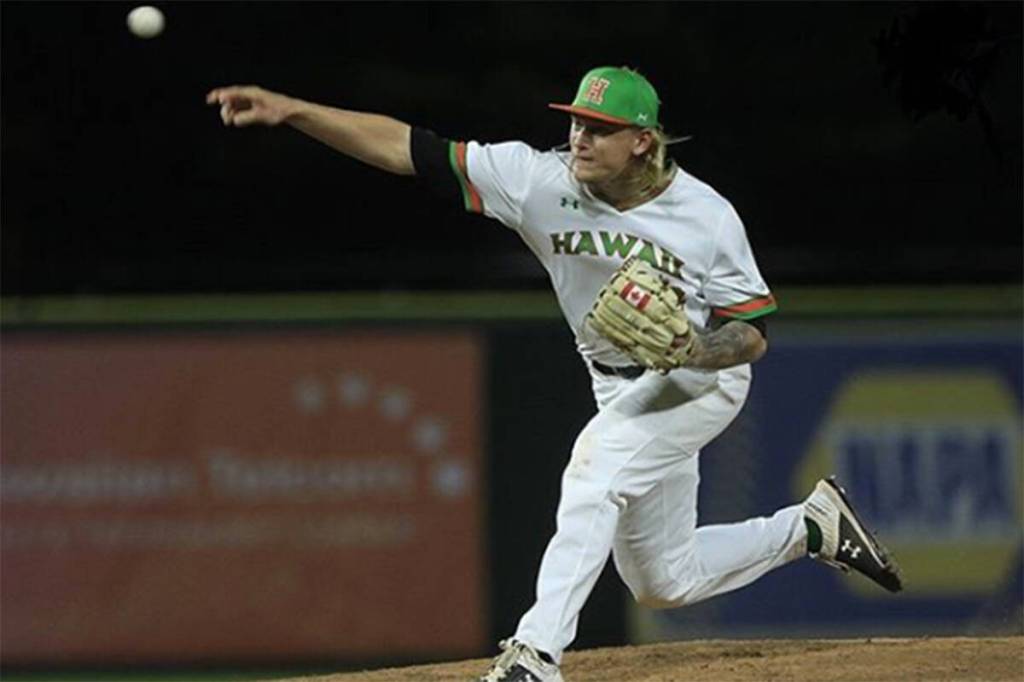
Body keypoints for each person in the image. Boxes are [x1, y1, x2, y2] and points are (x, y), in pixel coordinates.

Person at [207, 66, 903, 682]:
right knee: (664, 581)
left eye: (598, 129)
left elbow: (753, 331)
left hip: (697, 381)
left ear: (641, 140)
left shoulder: (706, 215)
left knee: (592, 468)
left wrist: (693, 351)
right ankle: (810, 530)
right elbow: (405, 148)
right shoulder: (535, 179)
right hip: (613, 380)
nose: (578, 138)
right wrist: (295, 111)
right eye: (574, 122)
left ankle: (536, 655)